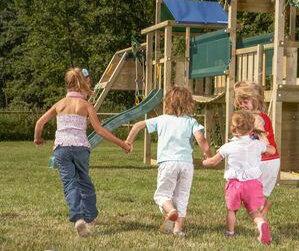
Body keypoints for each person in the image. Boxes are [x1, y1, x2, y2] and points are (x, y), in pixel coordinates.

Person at [34, 67, 131, 237]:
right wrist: (122, 143)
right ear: (83, 84)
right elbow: (100, 130)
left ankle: (78, 217)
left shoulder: (59, 104)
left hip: (62, 149)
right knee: (85, 183)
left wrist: (37, 138)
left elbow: (39, 123)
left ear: (68, 85)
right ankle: (90, 217)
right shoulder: (86, 105)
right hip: (81, 149)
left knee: (70, 184)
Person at [125, 86, 211, 237]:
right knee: (182, 197)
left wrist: (129, 142)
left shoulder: (161, 120)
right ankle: (178, 230)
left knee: (162, 195)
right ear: (189, 104)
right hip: (186, 164)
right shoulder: (191, 121)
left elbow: (137, 125)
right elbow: (201, 139)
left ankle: (170, 211)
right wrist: (208, 155)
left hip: (168, 163)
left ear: (167, 104)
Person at [203, 110, 275, 245]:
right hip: (253, 184)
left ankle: (230, 232)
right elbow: (272, 150)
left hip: (235, 184)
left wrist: (204, 162)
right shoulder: (257, 144)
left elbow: (213, 162)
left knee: (232, 209)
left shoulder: (229, 146)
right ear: (251, 129)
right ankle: (261, 225)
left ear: (233, 128)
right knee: (254, 211)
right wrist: (262, 135)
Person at [234, 81, 280, 215]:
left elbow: (260, 136)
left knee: (245, 190)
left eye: (245, 101)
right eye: (240, 102)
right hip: (272, 160)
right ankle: (262, 209)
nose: (242, 105)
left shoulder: (256, 118)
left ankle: (260, 211)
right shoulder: (262, 116)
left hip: (264, 161)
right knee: (256, 193)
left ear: (255, 100)